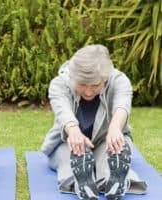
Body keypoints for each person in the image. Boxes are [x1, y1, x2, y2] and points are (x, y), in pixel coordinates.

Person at [41, 44, 147, 200]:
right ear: (73, 76)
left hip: (107, 140)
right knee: (70, 156)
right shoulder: (59, 84)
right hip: (67, 142)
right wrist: (73, 131)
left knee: (112, 153)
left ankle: (113, 181)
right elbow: (63, 111)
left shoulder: (119, 80)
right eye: (82, 85)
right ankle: (82, 182)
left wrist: (115, 128)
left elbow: (122, 104)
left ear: (105, 77)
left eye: (96, 85)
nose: (88, 92)